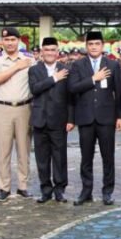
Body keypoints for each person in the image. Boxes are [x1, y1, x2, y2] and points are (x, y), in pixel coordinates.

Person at [68, 31, 121, 206]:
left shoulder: (113, 65)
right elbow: (72, 88)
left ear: (103, 46)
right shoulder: (78, 65)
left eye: (97, 44)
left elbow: (119, 92)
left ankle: (107, 191)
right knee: (86, 157)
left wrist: (120, 116)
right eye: (90, 44)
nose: (94, 47)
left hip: (106, 117)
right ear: (86, 47)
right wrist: (93, 78)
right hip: (85, 117)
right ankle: (86, 191)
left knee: (108, 156)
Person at [0, 27, 34, 202]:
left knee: (24, 149)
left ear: (19, 41)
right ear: (2, 41)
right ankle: (4, 187)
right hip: (2, 108)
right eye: (6, 40)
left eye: (13, 40)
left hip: (24, 108)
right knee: (3, 150)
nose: (10, 43)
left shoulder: (29, 59)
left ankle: (23, 186)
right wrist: (16, 67)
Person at [28, 37, 75, 203]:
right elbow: (35, 89)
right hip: (40, 118)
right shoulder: (34, 70)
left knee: (60, 156)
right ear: (42, 52)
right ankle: (45, 189)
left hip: (59, 119)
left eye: (52, 50)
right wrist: (54, 78)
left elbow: (70, 97)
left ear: (57, 52)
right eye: (46, 50)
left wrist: (71, 119)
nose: (49, 53)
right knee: (42, 157)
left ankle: (60, 189)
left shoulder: (66, 69)